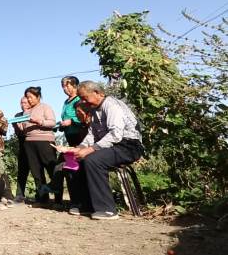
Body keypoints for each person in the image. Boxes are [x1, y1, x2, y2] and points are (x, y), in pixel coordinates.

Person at [57, 81, 143, 220]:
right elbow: (91, 135)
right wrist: (79, 148)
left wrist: (91, 149)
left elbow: (116, 134)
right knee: (72, 160)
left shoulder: (112, 105)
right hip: (111, 146)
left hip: (129, 145)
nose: (83, 101)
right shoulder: (94, 110)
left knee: (93, 160)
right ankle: (84, 204)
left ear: (97, 93)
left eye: (85, 98)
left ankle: (107, 209)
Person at [51, 76, 88, 204]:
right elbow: (65, 119)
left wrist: (71, 121)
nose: (65, 88)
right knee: (61, 168)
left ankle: (80, 201)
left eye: (67, 85)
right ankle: (66, 200)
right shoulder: (66, 102)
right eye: (63, 86)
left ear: (75, 85)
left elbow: (85, 118)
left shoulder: (80, 100)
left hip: (81, 137)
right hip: (70, 138)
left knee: (72, 167)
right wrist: (60, 125)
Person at [18, 86, 57, 204]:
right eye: (27, 97)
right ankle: (42, 197)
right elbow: (25, 128)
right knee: (36, 171)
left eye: (31, 97)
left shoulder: (46, 107)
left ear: (38, 96)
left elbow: (52, 123)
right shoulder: (26, 111)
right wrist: (20, 127)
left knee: (52, 169)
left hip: (45, 141)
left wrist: (39, 121)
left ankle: (58, 198)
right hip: (29, 142)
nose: (28, 100)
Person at [12, 96, 32, 202]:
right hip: (23, 146)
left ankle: (42, 195)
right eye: (21, 102)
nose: (23, 104)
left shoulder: (35, 113)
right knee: (22, 172)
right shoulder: (18, 116)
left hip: (34, 147)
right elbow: (17, 132)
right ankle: (19, 195)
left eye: (25, 102)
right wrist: (18, 128)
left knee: (37, 172)